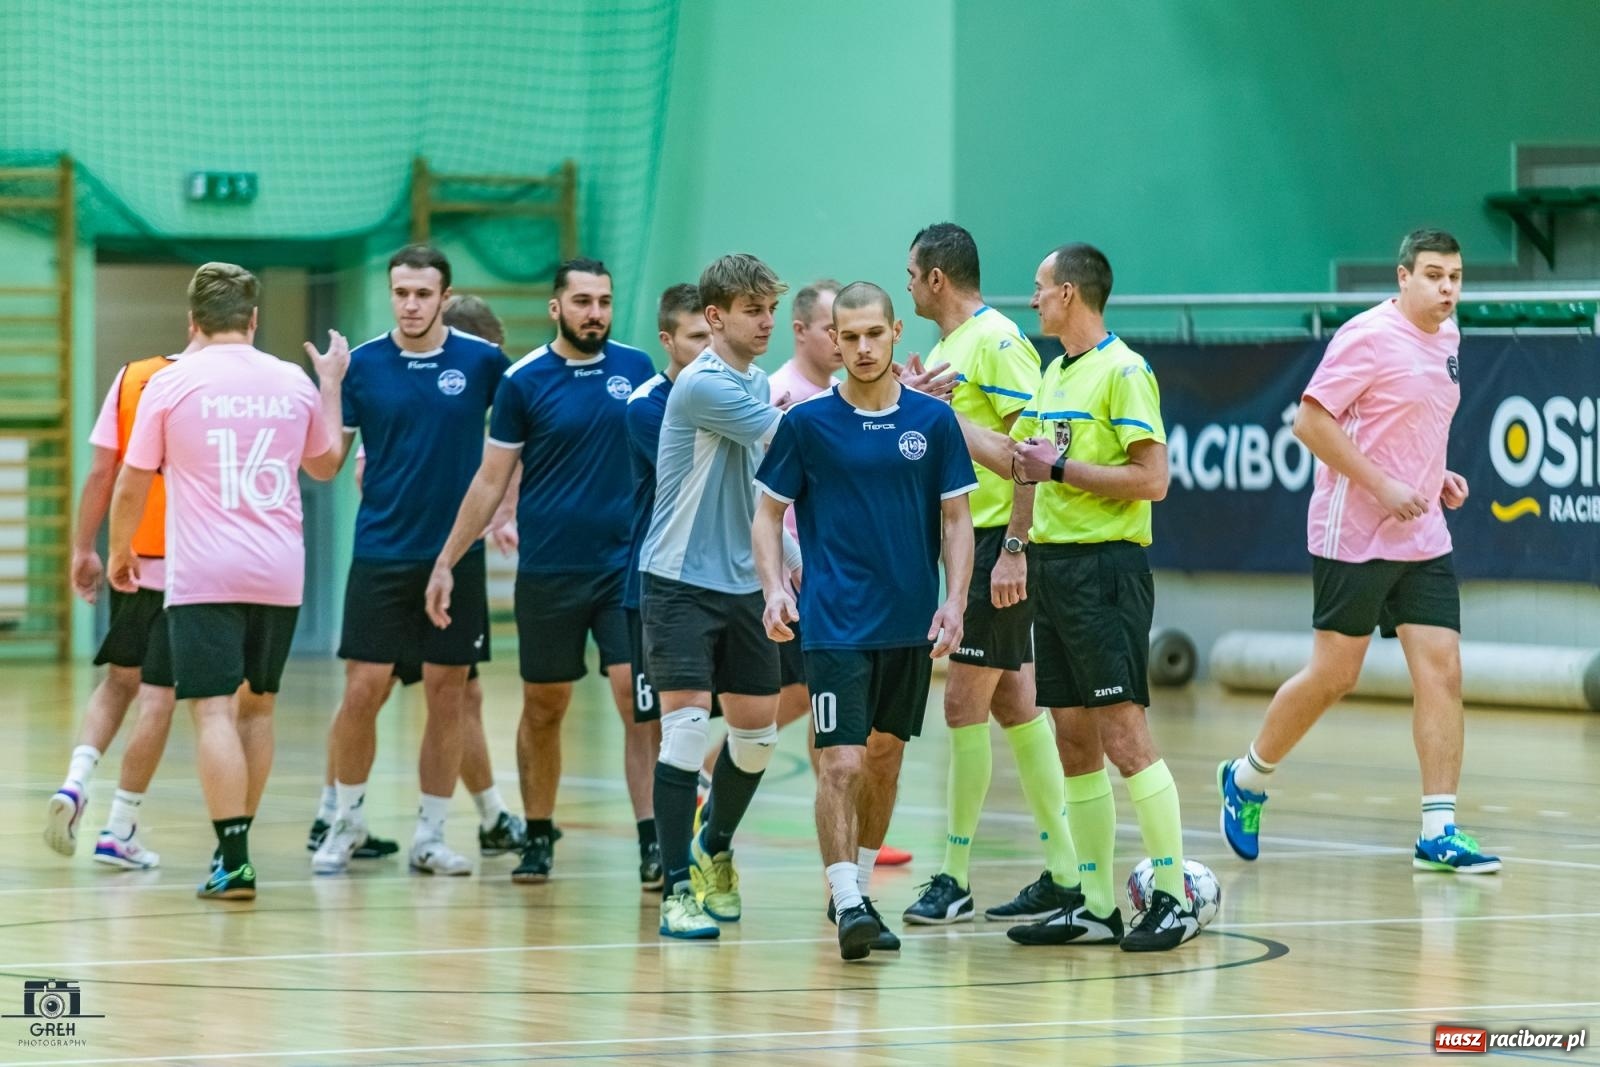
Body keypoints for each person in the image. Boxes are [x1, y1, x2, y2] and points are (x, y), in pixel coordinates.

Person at [1218, 229, 1500, 875]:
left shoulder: (1449, 338)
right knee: (1336, 674)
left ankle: (1439, 829)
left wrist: (1436, 475)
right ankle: (1247, 777)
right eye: (1434, 275)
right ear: (1403, 276)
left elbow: (1412, 423)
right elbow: (1311, 423)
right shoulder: (1366, 336)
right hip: (1357, 533)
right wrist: (1383, 484)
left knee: (1442, 669)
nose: (1448, 288)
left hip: (1422, 532)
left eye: (1455, 276)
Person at [106, 262, 343, 899]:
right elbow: (325, 466)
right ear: (254, 318)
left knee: (211, 710)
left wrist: (120, 551)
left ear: (193, 321)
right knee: (257, 709)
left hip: (204, 573)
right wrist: (331, 386)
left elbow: (133, 480)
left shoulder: (171, 383)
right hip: (278, 572)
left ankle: (235, 858)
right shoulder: (292, 382)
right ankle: (227, 849)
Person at [753, 281, 974, 960]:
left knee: (884, 757)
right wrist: (772, 589)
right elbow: (765, 514)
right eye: (848, 337)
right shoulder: (808, 424)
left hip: (909, 624)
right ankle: (847, 900)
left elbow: (957, 519)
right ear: (832, 340)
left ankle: (859, 885)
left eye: (874, 334)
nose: (862, 348)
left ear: (895, 330)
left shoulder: (933, 424)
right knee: (842, 762)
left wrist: (956, 599)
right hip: (834, 622)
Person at [989, 242, 1197, 951]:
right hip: (1054, 568)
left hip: (1108, 570)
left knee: (1123, 732)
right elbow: (1023, 463)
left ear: (1071, 293)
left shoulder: (1125, 371)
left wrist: (1065, 467)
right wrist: (931, 414)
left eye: (1041, 287)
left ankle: (1171, 895)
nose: (1033, 298)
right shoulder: (1052, 373)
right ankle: (1098, 903)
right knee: (1073, 735)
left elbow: (1153, 481)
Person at [425, 259, 657, 885]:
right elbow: (490, 479)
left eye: (604, 301)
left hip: (624, 571)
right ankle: (538, 833)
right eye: (582, 301)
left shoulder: (638, 371)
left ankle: (652, 839)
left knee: (637, 704)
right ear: (556, 308)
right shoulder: (524, 382)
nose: (596, 313)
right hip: (551, 573)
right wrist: (447, 559)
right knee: (545, 705)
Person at [902, 223, 1081, 926]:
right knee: (1014, 703)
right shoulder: (949, 349)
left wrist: (1016, 546)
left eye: (912, 275)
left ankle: (953, 875)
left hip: (990, 542)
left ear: (937, 279)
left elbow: (1027, 451)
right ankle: (1066, 871)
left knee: (960, 706)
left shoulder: (998, 340)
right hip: (963, 541)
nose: (908, 285)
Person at [305, 293, 525, 864]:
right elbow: (349, 466)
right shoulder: (387, 385)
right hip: (392, 559)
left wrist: (501, 513)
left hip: (450, 564)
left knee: (457, 694)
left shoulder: (475, 394)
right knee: (365, 691)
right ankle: (335, 812)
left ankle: (474, 819)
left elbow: (513, 452)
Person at [636, 253, 800, 939]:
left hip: (741, 583)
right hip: (678, 581)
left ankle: (714, 845)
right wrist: (886, 404)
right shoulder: (702, 384)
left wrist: (785, 565)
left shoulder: (759, 380)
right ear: (715, 316)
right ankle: (676, 889)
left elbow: (764, 483)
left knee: (757, 737)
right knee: (683, 731)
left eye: (770, 309)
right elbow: (793, 439)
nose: (766, 322)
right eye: (751, 310)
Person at [43, 334, 203, 869]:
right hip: (194, 564)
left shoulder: (134, 375)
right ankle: (119, 827)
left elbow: (102, 471)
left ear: (191, 320)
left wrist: (84, 548)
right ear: (247, 320)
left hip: (130, 555)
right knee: (158, 698)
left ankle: (75, 780)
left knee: (118, 681)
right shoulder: (233, 382)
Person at [624, 284, 711, 882]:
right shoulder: (646, 405)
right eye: (696, 338)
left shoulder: (736, 392)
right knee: (659, 722)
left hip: (729, 583)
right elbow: (704, 461)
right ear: (668, 339)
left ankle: (713, 831)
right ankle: (663, 849)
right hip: (663, 585)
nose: (708, 348)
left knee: (758, 717)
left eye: (713, 335)